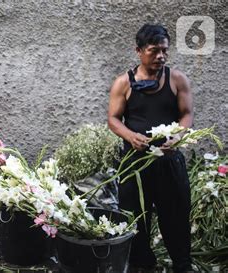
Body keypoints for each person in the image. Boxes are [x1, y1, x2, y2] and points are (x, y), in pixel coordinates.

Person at [107, 24, 194, 273]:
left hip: (169, 162)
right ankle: (141, 263)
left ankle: (182, 264)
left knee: (175, 214)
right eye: (154, 51)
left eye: (164, 51)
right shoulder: (123, 83)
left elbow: (186, 115)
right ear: (138, 51)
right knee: (135, 216)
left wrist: (177, 137)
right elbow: (113, 119)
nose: (161, 56)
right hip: (134, 164)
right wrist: (130, 136)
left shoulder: (177, 79)